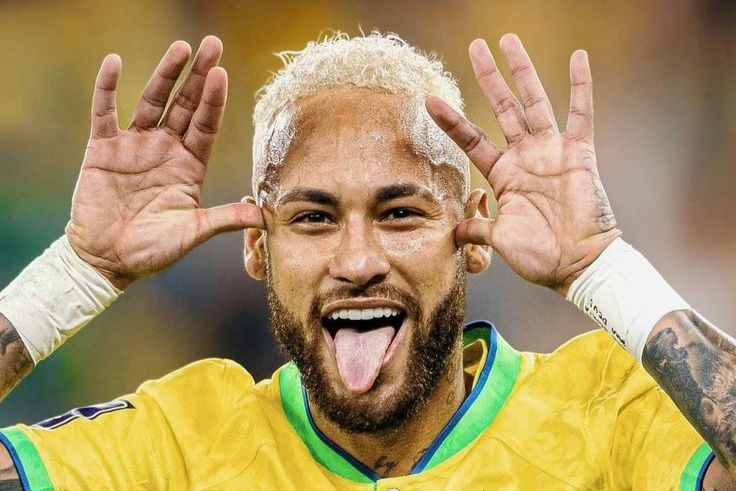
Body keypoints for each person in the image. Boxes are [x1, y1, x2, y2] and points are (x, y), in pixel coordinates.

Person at [0, 31, 734, 490]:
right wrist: (74, 276)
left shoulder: (603, 414)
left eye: (400, 213)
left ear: (475, 234)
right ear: (258, 246)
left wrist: (602, 268)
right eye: (313, 218)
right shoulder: (181, 445)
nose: (357, 261)